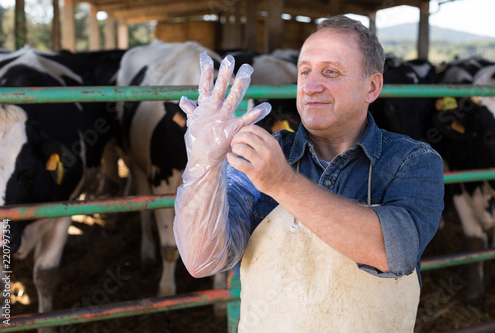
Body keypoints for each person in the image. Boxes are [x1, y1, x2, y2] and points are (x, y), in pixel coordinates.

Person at [174, 15, 444, 332]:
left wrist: (283, 183)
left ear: (371, 87)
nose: (311, 86)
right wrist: (204, 161)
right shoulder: (262, 156)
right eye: (305, 71)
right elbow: (202, 260)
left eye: (331, 72)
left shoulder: (412, 160)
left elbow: (394, 252)